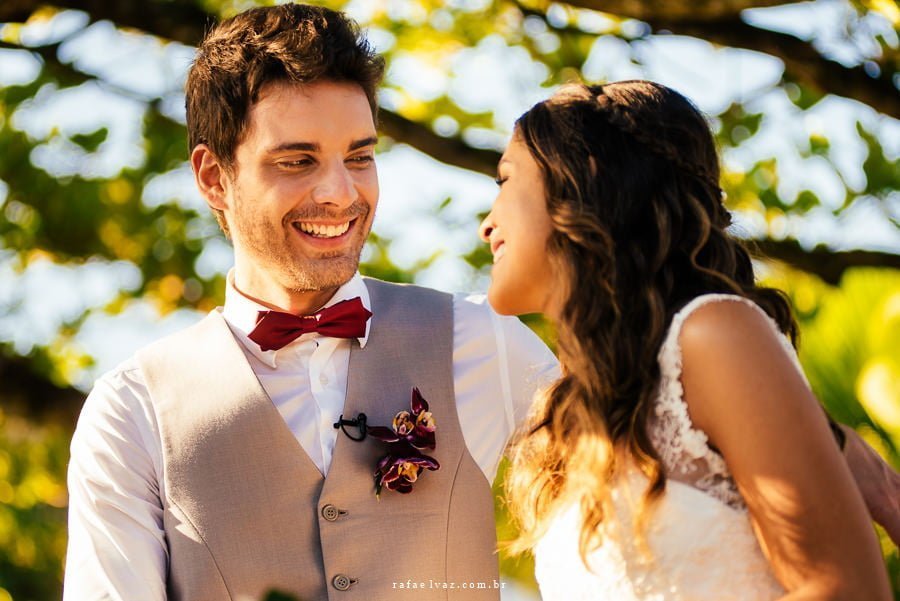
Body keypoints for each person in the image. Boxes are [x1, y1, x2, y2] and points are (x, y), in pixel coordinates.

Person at [63, 5, 558, 600]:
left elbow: (628, 505)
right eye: (297, 161)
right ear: (214, 177)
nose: (340, 193)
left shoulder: (480, 340)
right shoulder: (131, 412)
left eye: (359, 156)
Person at [478, 80, 893, 599]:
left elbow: (846, 589)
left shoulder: (713, 332)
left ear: (581, 174)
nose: (487, 224)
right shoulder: (588, 412)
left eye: (505, 178)